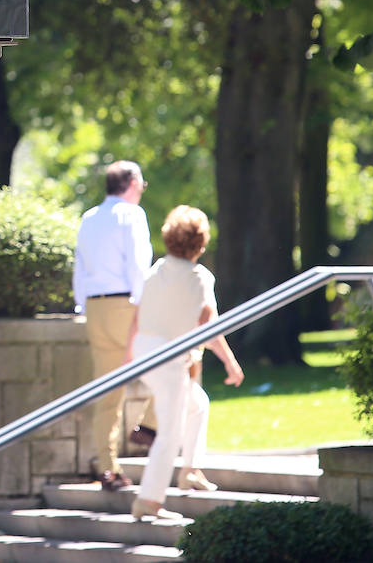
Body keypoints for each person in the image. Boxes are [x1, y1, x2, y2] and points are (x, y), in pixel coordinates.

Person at [129, 205, 244, 520]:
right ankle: (148, 501)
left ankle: (190, 470)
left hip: (145, 353)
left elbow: (138, 316)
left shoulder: (155, 271)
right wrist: (231, 363)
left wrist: (128, 353)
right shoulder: (200, 277)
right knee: (169, 432)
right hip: (168, 360)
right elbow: (210, 329)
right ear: (201, 244)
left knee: (198, 405)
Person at [73, 160, 153, 490]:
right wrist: (143, 305)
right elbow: (137, 263)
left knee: (107, 391)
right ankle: (151, 425)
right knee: (173, 362)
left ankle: (108, 468)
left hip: (95, 306)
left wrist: (83, 304)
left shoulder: (89, 218)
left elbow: (80, 266)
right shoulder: (132, 215)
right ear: (132, 184)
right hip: (126, 304)